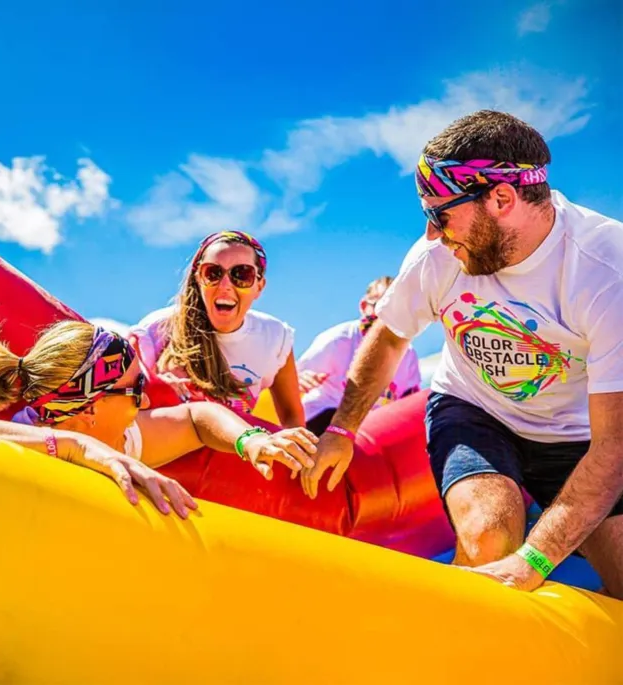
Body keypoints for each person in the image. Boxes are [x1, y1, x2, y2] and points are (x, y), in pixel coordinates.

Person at [301, 110, 623, 599]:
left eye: (439, 214)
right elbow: (389, 336)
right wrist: (343, 430)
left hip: (579, 435)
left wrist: (534, 561)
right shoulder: (436, 258)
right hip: (477, 411)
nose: (432, 233)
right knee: (492, 534)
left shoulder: (605, 270)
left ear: (501, 198)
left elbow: (614, 446)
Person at [0, 321, 317, 517]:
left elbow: (195, 417)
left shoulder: (122, 440)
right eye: (135, 390)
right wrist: (73, 447)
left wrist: (249, 440)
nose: (147, 398)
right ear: (90, 408)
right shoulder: (25, 439)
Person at [130, 231, 305, 427]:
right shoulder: (156, 329)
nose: (225, 285)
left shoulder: (275, 337)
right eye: (212, 273)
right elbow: (122, 404)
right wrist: (155, 387)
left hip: (237, 450)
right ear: (198, 279)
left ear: (259, 286)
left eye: (242, 275)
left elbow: (292, 415)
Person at [297, 276, 421, 435]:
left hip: (372, 426)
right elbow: (295, 379)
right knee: (346, 426)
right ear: (364, 306)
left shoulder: (408, 354)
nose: (388, 316)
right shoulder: (340, 339)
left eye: (397, 310)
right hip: (325, 415)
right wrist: (301, 380)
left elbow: (409, 402)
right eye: (382, 306)